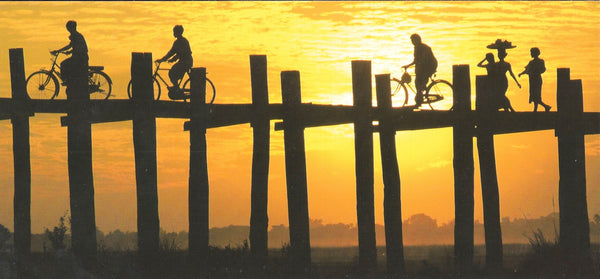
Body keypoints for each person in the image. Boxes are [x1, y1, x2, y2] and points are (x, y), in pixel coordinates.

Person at [156, 25, 193, 99]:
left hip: (186, 62)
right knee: (172, 72)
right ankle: (176, 88)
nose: (173, 33)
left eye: (174, 32)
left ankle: (177, 89)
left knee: (172, 72)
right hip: (183, 61)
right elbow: (171, 52)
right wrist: (162, 59)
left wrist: (173, 59)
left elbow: (182, 53)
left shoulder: (183, 41)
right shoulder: (176, 42)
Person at [402, 34, 437, 107]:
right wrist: (408, 66)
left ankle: (419, 100)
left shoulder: (424, 48)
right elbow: (416, 60)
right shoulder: (416, 48)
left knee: (420, 82)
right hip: (423, 66)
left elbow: (423, 60)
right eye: (411, 41)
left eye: (413, 40)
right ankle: (419, 99)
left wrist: (418, 65)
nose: (412, 42)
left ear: (417, 40)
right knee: (417, 82)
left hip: (430, 66)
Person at [51, 20, 88, 86]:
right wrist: (70, 52)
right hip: (79, 57)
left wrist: (58, 51)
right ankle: (68, 79)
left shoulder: (75, 36)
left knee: (63, 64)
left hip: (80, 58)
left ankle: (66, 80)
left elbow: (70, 46)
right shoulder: (77, 35)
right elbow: (76, 46)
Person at [519, 47, 551, 112]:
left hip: (537, 79)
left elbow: (543, 69)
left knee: (536, 94)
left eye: (531, 52)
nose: (531, 54)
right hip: (532, 79)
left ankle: (545, 106)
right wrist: (521, 73)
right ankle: (536, 109)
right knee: (534, 94)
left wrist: (536, 71)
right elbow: (527, 70)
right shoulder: (531, 62)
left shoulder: (540, 61)